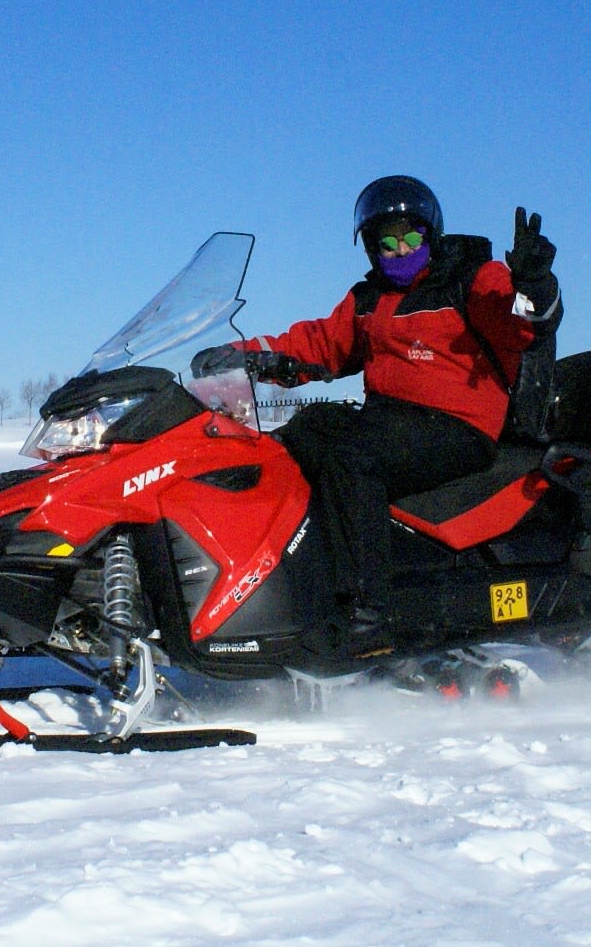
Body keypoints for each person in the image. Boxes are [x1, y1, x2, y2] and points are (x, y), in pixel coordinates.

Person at [190, 175, 561, 636]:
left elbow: (523, 323)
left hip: (459, 428)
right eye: (388, 242)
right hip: (391, 421)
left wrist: (536, 283)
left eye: (411, 237)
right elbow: (321, 344)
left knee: (352, 459)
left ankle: (367, 605)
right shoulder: (369, 299)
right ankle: (281, 574)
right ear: (371, 247)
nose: (401, 250)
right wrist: (245, 355)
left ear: (431, 235)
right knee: (297, 436)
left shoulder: (472, 279)